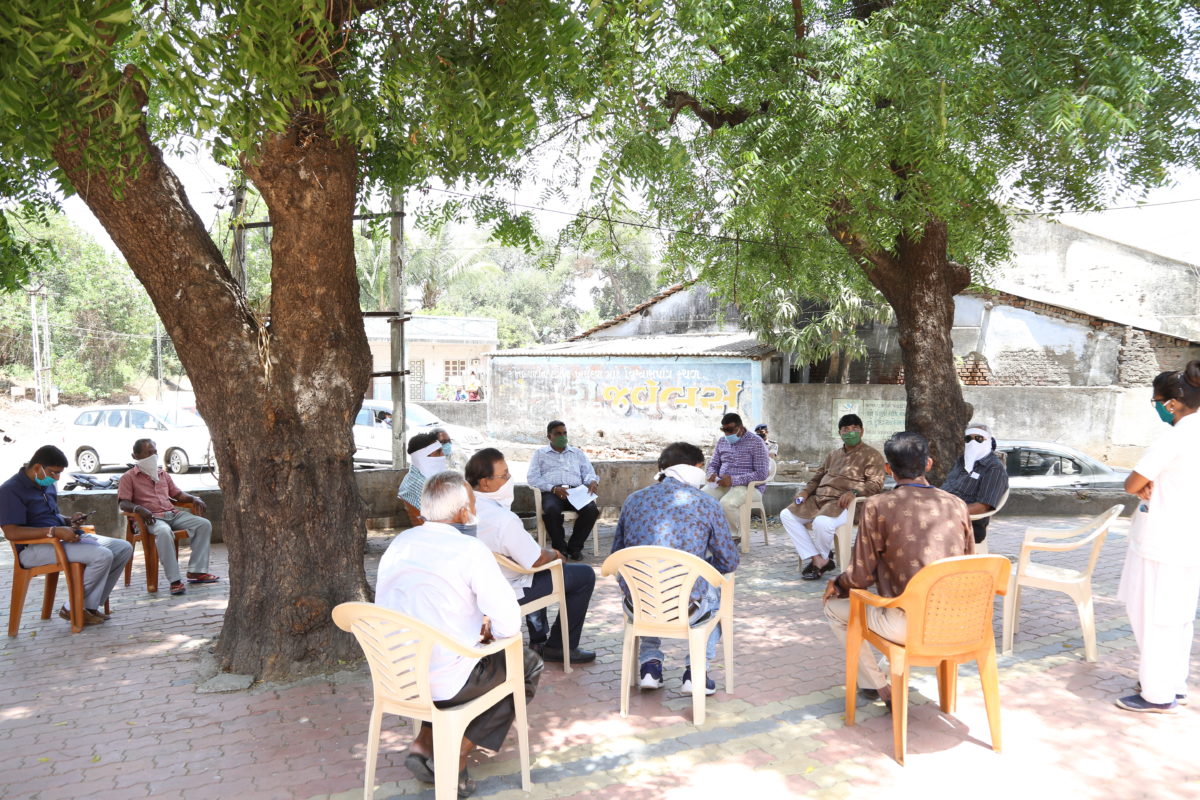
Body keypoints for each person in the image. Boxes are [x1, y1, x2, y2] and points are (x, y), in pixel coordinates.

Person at [376, 470, 543, 796]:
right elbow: (509, 624)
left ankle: (424, 744)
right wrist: (487, 632)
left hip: (397, 677)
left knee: (444, 653)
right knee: (525, 664)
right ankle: (455, 755)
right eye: (473, 504)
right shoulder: (470, 550)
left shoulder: (399, 543)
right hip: (447, 681)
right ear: (464, 512)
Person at [822, 432, 974, 706]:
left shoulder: (878, 506)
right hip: (958, 622)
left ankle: (879, 686)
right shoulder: (958, 505)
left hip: (907, 625)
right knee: (889, 606)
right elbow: (968, 564)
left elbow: (860, 577)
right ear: (928, 463)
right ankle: (881, 678)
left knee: (834, 608)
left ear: (888, 469)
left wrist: (838, 584)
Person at [613, 442, 740, 695]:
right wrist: (700, 569)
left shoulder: (633, 500)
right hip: (687, 608)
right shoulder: (707, 504)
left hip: (638, 605)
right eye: (701, 467)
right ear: (694, 468)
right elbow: (728, 561)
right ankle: (696, 672)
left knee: (647, 585)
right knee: (718, 596)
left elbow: (617, 555)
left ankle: (650, 666)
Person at [1115, 362, 1200, 713]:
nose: (1158, 408)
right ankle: (1172, 684)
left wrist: (1145, 484)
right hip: (1188, 543)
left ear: (1171, 403)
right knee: (1177, 619)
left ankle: (1157, 694)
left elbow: (1132, 483)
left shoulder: (1176, 437)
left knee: (1152, 617)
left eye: (1156, 401)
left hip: (1162, 543)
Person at [466, 448, 597, 664]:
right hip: (505, 590)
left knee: (536, 570)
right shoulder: (503, 519)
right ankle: (560, 647)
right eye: (504, 475)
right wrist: (556, 554)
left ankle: (538, 639)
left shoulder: (464, 507)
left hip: (474, 590)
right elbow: (535, 559)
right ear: (485, 483)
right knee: (582, 575)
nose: (509, 479)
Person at [0, 445, 133, 626]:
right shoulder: (10, 490)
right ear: (38, 467)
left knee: (123, 548)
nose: (57, 478)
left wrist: (69, 521)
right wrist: (54, 531)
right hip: (32, 549)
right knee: (102, 555)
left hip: (57, 540)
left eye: (59, 473)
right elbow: (12, 532)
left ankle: (87, 607)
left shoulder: (46, 484)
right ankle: (72, 608)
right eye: (54, 473)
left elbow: (50, 517)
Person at [781, 414, 885, 580]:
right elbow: (817, 478)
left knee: (822, 523)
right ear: (840, 433)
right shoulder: (833, 455)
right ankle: (818, 558)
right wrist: (805, 492)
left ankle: (822, 559)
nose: (850, 432)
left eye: (855, 429)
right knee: (787, 515)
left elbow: (875, 484)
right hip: (819, 499)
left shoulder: (872, 455)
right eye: (846, 429)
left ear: (862, 431)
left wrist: (854, 492)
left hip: (844, 503)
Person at [116, 439, 217, 596]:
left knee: (204, 524)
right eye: (149, 453)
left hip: (171, 514)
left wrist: (194, 499)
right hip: (149, 519)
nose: (153, 456)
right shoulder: (128, 477)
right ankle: (175, 581)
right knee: (164, 531)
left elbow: (178, 495)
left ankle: (196, 571)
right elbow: (123, 503)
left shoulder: (163, 474)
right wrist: (139, 509)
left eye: (155, 452)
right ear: (135, 456)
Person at [526, 420, 600, 560]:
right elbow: (533, 478)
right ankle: (560, 548)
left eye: (564, 433)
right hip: (552, 492)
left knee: (591, 510)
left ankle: (574, 548)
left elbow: (588, 472)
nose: (562, 436)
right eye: (558, 434)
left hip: (576, 491)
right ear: (549, 436)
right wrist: (553, 488)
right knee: (551, 510)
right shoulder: (540, 454)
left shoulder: (576, 453)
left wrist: (592, 481)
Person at [940, 422, 1009, 546]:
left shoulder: (994, 469)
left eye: (978, 438)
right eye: (968, 439)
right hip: (942, 511)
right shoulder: (962, 461)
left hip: (968, 522)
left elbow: (983, 507)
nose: (973, 443)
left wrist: (947, 512)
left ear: (989, 441)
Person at [703, 412, 771, 536]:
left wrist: (733, 480)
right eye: (724, 430)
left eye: (730, 430)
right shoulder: (722, 442)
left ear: (740, 427)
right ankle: (710, 534)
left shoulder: (756, 442)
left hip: (750, 488)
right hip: (722, 484)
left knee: (727, 503)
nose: (727, 434)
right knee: (701, 498)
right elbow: (713, 464)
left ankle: (734, 536)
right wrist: (711, 474)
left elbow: (762, 474)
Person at [396, 431, 458, 529]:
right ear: (422, 457)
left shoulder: (412, 476)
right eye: (438, 452)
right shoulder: (425, 487)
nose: (443, 455)